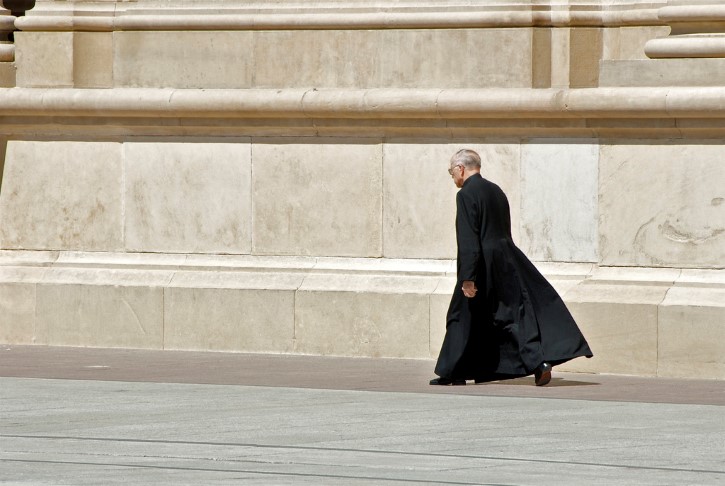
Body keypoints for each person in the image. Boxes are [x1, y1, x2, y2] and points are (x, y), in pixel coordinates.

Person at [431, 149, 592, 387]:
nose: (452, 177)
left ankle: (453, 372)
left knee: (460, 315)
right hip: (507, 259)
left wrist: (468, 277)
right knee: (509, 316)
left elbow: (468, 239)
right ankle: (538, 363)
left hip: (482, 264)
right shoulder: (496, 191)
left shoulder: (466, 194)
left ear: (461, 169)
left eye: (451, 172)